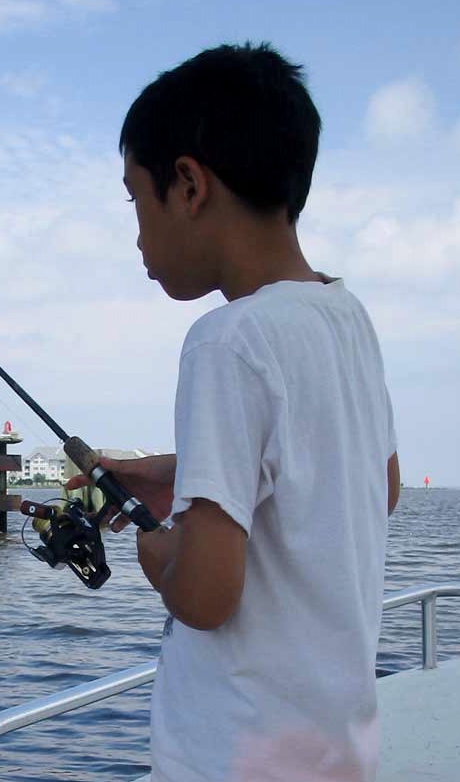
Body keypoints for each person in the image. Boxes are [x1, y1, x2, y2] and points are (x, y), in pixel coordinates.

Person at [67, 43, 398, 781]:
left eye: (134, 199)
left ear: (187, 184)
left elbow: (208, 595)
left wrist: (161, 553)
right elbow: (377, 483)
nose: (137, 234)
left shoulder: (226, 340)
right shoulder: (347, 318)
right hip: (336, 752)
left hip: (228, 759)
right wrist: (184, 475)